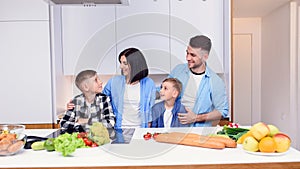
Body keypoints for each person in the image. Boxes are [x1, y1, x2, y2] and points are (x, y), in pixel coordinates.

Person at [168, 35, 229, 127]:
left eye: (193, 55)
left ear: (205, 57)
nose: (188, 58)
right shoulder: (178, 70)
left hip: (199, 132)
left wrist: (196, 118)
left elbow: (222, 111)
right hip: (174, 127)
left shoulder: (216, 81)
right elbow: (163, 90)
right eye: (187, 53)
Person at [102, 47, 156, 128]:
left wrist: (146, 131)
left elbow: (150, 110)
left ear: (135, 64)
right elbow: (101, 100)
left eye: (125, 63)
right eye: (120, 62)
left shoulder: (149, 83)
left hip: (139, 129)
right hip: (119, 129)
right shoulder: (114, 82)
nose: (121, 66)